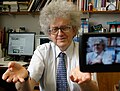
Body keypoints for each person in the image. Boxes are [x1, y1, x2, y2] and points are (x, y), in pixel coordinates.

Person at [2, 1, 99, 91]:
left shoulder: (86, 52)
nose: (60, 33)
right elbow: (27, 88)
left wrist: (85, 82)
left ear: (74, 30)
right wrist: (25, 78)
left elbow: (95, 89)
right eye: (55, 29)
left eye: (65, 28)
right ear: (49, 33)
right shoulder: (42, 51)